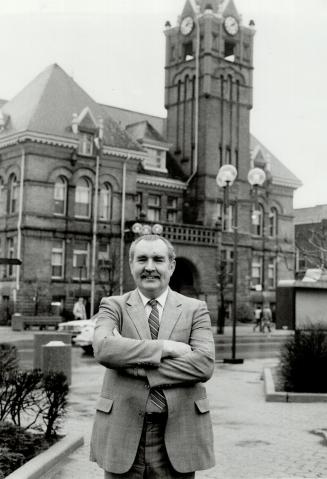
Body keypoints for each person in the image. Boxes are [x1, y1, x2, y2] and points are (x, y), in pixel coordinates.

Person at [90, 234, 215, 478]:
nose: (149, 267)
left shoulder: (195, 309)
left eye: (158, 259)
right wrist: (165, 348)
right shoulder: (113, 306)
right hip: (122, 433)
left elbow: (204, 365)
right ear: (131, 265)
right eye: (142, 259)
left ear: (171, 265)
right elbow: (104, 349)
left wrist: (131, 363)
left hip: (178, 435)